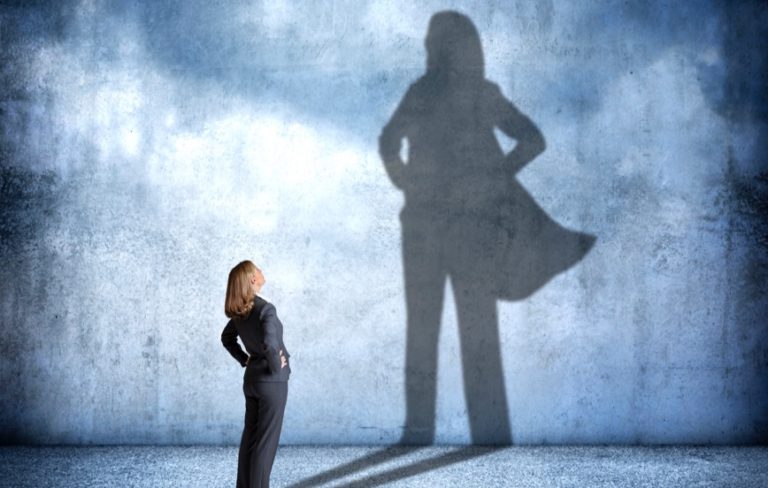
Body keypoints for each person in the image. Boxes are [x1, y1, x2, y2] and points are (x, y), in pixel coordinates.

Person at [379, 10, 594, 445]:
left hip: (436, 226)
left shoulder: (439, 92)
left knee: (433, 330)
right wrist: (493, 175)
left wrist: (414, 180)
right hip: (450, 227)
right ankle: (485, 432)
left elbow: (388, 141)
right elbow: (532, 140)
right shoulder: (462, 92)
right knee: (471, 330)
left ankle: (426, 432)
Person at [221, 260, 291, 488]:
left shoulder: (241, 312)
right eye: (258, 269)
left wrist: (245, 359)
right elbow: (271, 346)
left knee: (250, 439)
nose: (262, 271)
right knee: (265, 445)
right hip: (272, 383)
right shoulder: (265, 309)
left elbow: (227, 339)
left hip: (251, 381)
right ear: (252, 278)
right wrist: (276, 368)